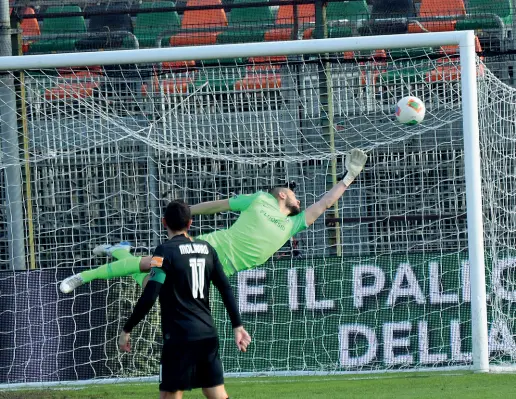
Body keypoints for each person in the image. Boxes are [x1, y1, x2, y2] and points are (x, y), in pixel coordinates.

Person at [60, 149, 368, 293]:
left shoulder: (294, 224)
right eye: (290, 189)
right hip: (209, 247)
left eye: (294, 192)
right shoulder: (259, 199)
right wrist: (187, 211)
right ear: (280, 196)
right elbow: (218, 207)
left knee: (151, 287)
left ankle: (121, 252)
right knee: (151, 265)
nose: (293, 192)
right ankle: (83, 277)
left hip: (221, 269)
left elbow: (326, 203)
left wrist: (349, 177)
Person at [119, 200, 251, 399]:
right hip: (207, 334)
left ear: (164, 222)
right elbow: (225, 288)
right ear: (190, 224)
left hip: (180, 337)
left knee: (169, 396)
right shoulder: (208, 249)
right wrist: (237, 326)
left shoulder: (162, 252)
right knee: (215, 393)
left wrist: (127, 328)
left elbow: (150, 294)